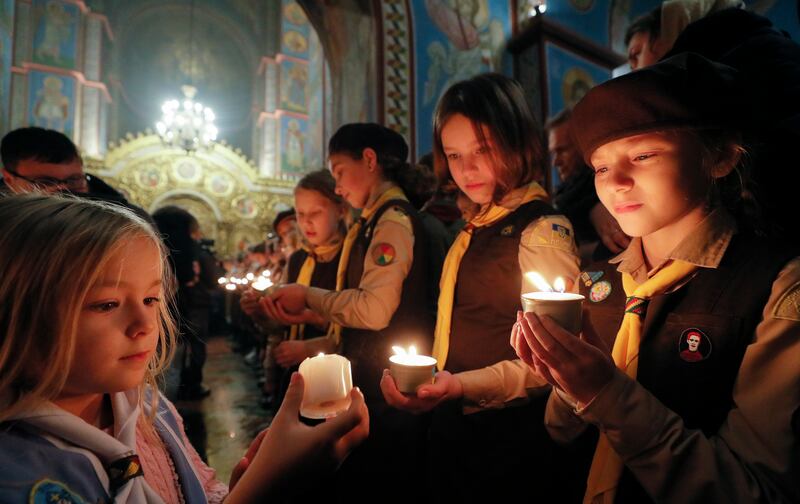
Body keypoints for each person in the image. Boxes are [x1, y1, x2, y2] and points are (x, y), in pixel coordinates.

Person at [514, 53, 800, 502]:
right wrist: (566, 382)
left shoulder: (775, 284)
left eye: (643, 154)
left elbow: (757, 491)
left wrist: (608, 394)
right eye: (602, 167)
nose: (616, 182)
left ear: (720, 155)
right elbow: (559, 431)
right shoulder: (596, 283)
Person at [0, 194, 369, 503]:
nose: (145, 325)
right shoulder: (16, 475)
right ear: (17, 314)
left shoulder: (150, 408)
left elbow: (202, 489)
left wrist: (243, 485)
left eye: (151, 299)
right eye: (107, 304)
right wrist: (268, 486)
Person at [379, 73, 581, 501]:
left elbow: (552, 362)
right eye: (453, 154)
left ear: (517, 143)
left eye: (482, 150)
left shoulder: (541, 229)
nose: (466, 169)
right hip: (456, 425)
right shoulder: (475, 223)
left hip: (508, 442)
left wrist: (461, 385)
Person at [266, 123, 434, 500]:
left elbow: (373, 310)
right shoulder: (374, 219)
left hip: (385, 386)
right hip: (375, 379)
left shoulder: (391, 220)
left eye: (340, 172)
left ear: (370, 160)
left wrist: (308, 296)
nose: (338, 186)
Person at [247, 169, 347, 412]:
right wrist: (261, 312)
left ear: (341, 210)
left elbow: (354, 327)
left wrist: (308, 347)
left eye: (315, 213)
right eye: (301, 214)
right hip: (293, 371)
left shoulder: (350, 256)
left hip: (334, 379)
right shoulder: (299, 259)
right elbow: (281, 325)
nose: (306, 222)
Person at [0, 126, 149, 220]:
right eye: (44, 183)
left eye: (73, 180)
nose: (62, 193)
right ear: (9, 179)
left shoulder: (123, 218)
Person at [546, 108, 630, 261]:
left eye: (562, 150)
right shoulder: (568, 196)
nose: (556, 161)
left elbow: (620, 249)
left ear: (585, 146)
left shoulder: (606, 199)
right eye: (553, 153)